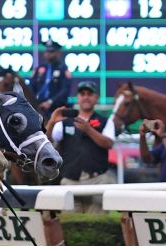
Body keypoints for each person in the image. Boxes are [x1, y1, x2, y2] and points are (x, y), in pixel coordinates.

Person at [45, 81, 116, 213]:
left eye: (90, 94)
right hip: (70, 179)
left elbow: (109, 143)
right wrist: (51, 122)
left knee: (97, 224)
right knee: (70, 224)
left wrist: (89, 129)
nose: (86, 97)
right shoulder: (64, 121)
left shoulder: (106, 121)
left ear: (96, 98)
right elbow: (47, 142)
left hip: (97, 179)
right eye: (82, 94)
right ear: (78, 97)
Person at [30, 40, 71, 119]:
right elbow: (32, 87)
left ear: (58, 53)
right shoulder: (39, 69)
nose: (48, 53)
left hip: (56, 108)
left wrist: (50, 102)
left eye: (51, 51)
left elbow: (65, 90)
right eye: (47, 51)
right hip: (38, 108)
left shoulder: (63, 69)